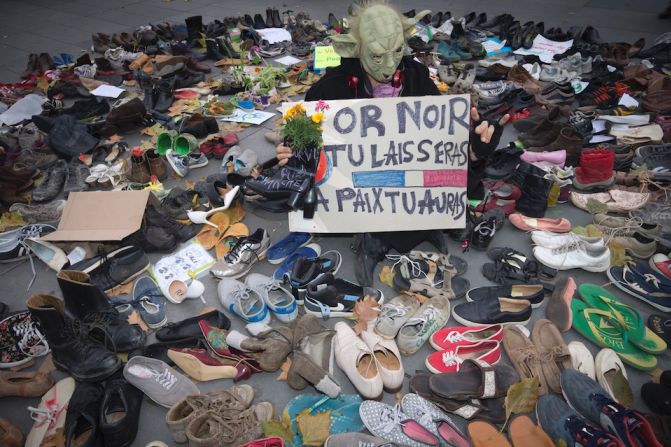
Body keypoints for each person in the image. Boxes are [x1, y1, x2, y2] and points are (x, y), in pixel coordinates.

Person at [275, 2, 509, 285]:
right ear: (356, 48)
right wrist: (293, 153)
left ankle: (424, 224)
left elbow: (446, 144)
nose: (388, 65)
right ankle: (374, 236)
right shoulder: (331, 87)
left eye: (396, 51)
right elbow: (301, 134)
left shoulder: (416, 76)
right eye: (376, 55)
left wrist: (475, 147)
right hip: (358, 196)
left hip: (409, 193)